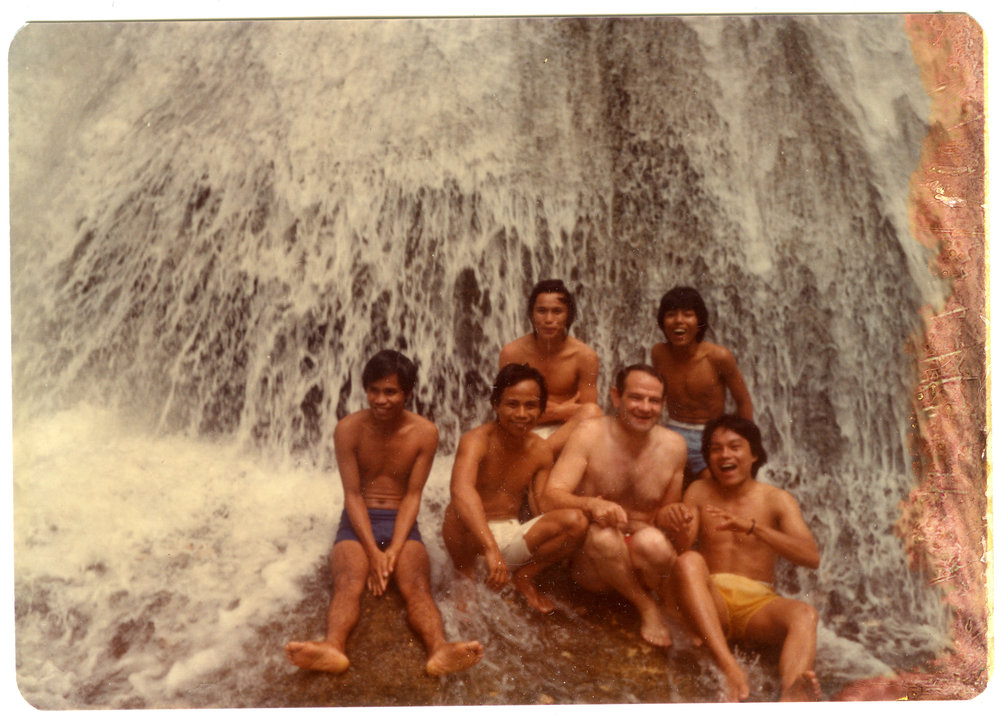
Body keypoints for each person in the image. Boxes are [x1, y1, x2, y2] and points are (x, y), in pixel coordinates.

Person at [285, 350, 483, 676]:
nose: (381, 399)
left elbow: (413, 496)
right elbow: (351, 494)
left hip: (401, 523)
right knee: (347, 581)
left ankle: (439, 649)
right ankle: (333, 646)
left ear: (407, 393)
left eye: (390, 392)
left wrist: (392, 548)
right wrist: (372, 553)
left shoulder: (425, 433)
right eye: (374, 390)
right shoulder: (348, 429)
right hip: (357, 520)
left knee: (417, 585)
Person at [660, 415, 821, 702]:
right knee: (689, 561)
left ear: (754, 453)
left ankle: (793, 693)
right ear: (708, 457)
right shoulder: (698, 491)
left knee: (805, 614)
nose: (725, 455)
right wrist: (680, 528)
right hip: (711, 601)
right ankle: (730, 668)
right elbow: (683, 552)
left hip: (758, 606)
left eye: (735, 447)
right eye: (716, 448)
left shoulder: (776, 499)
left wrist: (754, 528)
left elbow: (810, 556)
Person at [542, 364, 687, 648]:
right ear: (616, 397)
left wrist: (677, 516)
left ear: (663, 404)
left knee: (655, 544)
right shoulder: (589, 434)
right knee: (604, 537)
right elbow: (551, 495)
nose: (645, 407)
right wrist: (589, 505)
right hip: (592, 564)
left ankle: (667, 605)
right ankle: (646, 607)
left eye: (654, 400)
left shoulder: (675, 446)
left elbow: (664, 517)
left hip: (639, 557)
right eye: (636, 398)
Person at [442, 364, 588, 613]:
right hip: (471, 537)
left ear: (542, 409)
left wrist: (588, 504)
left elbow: (543, 504)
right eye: (512, 404)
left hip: (509, 534)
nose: (521, 414)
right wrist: (490, 549)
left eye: (530, 406)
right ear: (496, 405)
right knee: (458, 506)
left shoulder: (540, 450)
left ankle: (524, 576)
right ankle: (464, 575)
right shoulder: (476, 441)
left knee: (577, 521)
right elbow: (462, 491)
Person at [650, 286, 753, 482]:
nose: (679, 320)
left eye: (688, 314)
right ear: (663, 322)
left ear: (699, 323)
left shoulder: (718, 357)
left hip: (709, 435)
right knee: (654, 481)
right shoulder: (659, 353)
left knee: (712, 489)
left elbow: (744, 402)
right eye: (671, 315)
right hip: (672, 432)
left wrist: (746, 444)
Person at [499, 279, 602, 455]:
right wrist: (562, 410)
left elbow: (587, 412)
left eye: (557, 312)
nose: (549, 319)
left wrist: (546, 411)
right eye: (541, 311)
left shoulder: (585, 357)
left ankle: (538, 455)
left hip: (567, 432)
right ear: (531, 315)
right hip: (523, 428)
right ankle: (539, 455)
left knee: (593, 413)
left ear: (568, 316)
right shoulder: (512, 353)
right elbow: (505, 410)